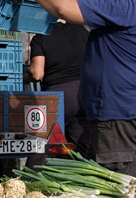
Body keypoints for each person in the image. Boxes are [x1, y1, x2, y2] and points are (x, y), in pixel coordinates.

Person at [4, 0, 136, 183]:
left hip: (122, 112)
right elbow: (97, 3)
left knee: (118, 190)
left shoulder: (123, 3)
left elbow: (64, 9)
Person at [28, 21, 90, 151]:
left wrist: (22, 77)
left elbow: (37, 74)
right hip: (84, 94)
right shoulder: (82, 31)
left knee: (43, 145)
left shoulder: (41, 37)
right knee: (80, 146)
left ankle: (35, 171)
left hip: (58, 98)